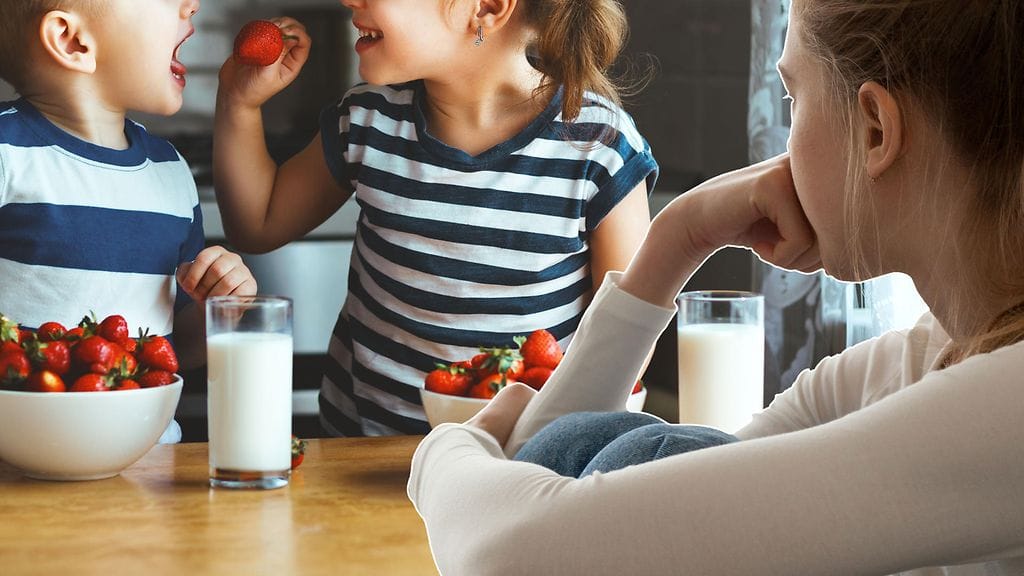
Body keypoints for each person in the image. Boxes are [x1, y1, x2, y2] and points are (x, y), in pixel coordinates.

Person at [406, 0, 1024, 573]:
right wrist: (679, 238)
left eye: (792, 97)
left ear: (875, 132)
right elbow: (575, 479)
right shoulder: (921, 360)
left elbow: (517, 551)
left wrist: (447, 450)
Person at [213, 0, 658, 436]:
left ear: (486, 8)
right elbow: (257, 223)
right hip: (361, 455)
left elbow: (625, 341)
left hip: (515, 462)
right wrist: (240, 103)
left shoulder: (600, 147)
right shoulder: (369, 120)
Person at [0, 0, 257, 440]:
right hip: (20, 472)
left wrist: (221, 308)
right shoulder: (8, 154)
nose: (191, 5)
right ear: (72, 40)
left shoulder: (169, 172)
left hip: (150, 464)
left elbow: (180, 349)